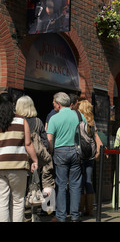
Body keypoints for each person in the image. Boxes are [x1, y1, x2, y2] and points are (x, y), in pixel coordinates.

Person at [46, 92, 85, 222]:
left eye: (53, 103)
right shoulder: (79, 115)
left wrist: (52, 151)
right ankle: (75, 215)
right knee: (75, 184)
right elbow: (88, 132)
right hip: (77, 151)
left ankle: (61, 216)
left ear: (58, 104)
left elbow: (49, 139)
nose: (53, 105)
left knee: (61, 184)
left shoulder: (54, 118)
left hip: (60, 152)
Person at [0, 93, 38, 222]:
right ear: (12, 104)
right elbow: (28, 143)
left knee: (2, 202)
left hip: (0, 166)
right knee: (18, 201)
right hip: (18, 167)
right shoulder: (22, 120)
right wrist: (35, 160)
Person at [15, 95, 55, 220]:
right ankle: (46, 209)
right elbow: (44, 141)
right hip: (36, 158)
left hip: (21, 157)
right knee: (38, 183)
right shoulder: (38, 121)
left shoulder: (17, 122)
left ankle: (19, 212)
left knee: (20, 185)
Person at [77, 100, 103, 216]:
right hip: (90, 155)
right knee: (88, 181)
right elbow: (96, 138)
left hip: (79, 155)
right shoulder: (92, 123)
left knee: (80, 182)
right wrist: (98, 151)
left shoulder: (77, 121)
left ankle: (80, 209)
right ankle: (90, 210)